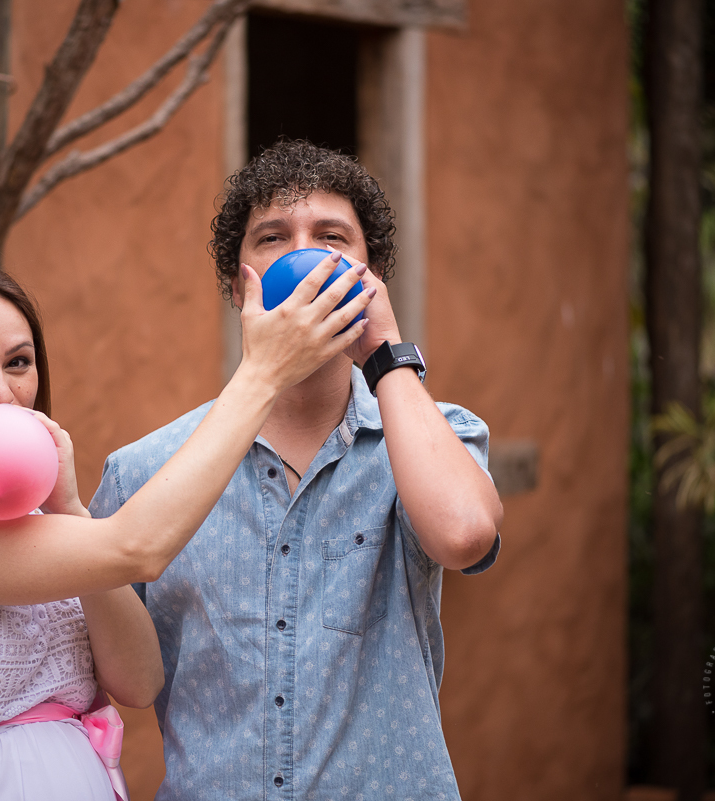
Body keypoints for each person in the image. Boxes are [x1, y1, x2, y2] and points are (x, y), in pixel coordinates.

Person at [0, 255, 372, 801]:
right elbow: (139, 549)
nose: (2, 394)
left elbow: (138, 682)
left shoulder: (50, 529)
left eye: (18, 362)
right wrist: (263, 374)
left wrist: (70, 511)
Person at [89, 140, 505, 799]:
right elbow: (127, 681)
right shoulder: (141, 471)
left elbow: (463, 534)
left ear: (371, 275)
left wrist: (387, 354)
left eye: (331, 237)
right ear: (237, 284)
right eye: (273, 237)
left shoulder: (437, 433)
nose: (302, 257)